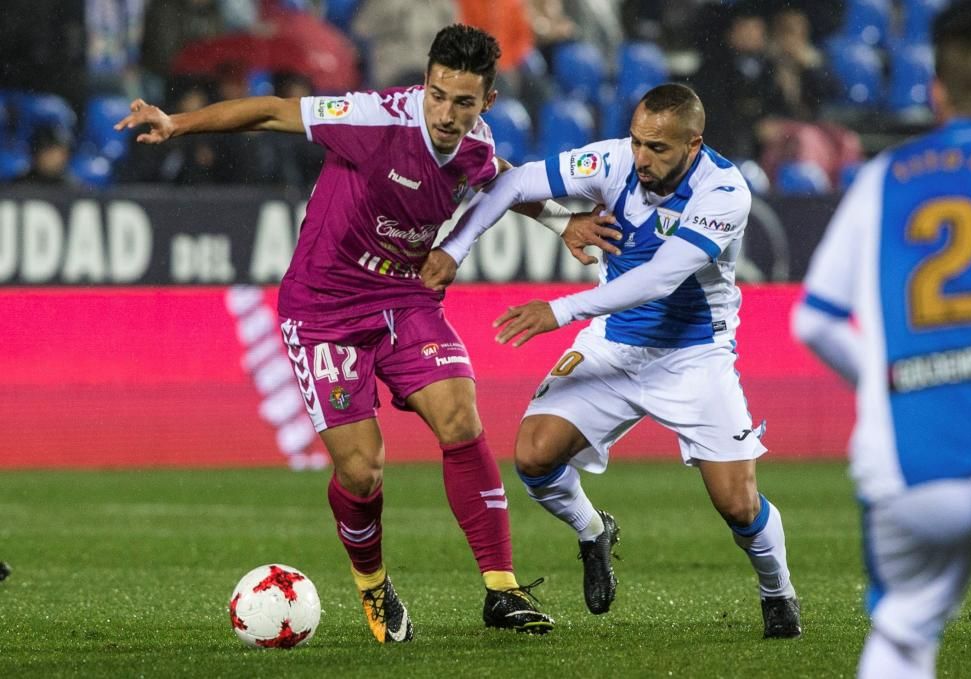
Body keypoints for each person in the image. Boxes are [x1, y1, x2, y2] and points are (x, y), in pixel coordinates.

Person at [114, 23, 610, 643]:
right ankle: (373, 585)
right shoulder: (373, 118)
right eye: (437, 95)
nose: (447, 114)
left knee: (460, 417)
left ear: (486, 102)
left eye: (463, 102)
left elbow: (502, 179)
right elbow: (271, 112)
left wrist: (563, 221)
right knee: (362, 471)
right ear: (424, 84)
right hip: (325, 308)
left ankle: (501, 588)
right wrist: (178, 123)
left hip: (406, 296)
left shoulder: (474, 142)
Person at [422, 83, 801, 638]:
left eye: (658, 149)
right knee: (534, 456)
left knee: (738, 504)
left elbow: (660, 277)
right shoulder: (615, 160)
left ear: (693, 144)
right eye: (637, 141)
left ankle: (778, 592)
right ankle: (593, 529)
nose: (641, 158)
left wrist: (561, 309)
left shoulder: (723, 192)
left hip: (694, 356)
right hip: (614, 344)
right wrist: (454, 249)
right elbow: (512, 181)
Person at [792, 4, 971, 677]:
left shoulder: (883, 178)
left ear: (936, 91)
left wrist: (886, 380)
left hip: (908, 461)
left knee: (904, 632)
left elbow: (814, 319)